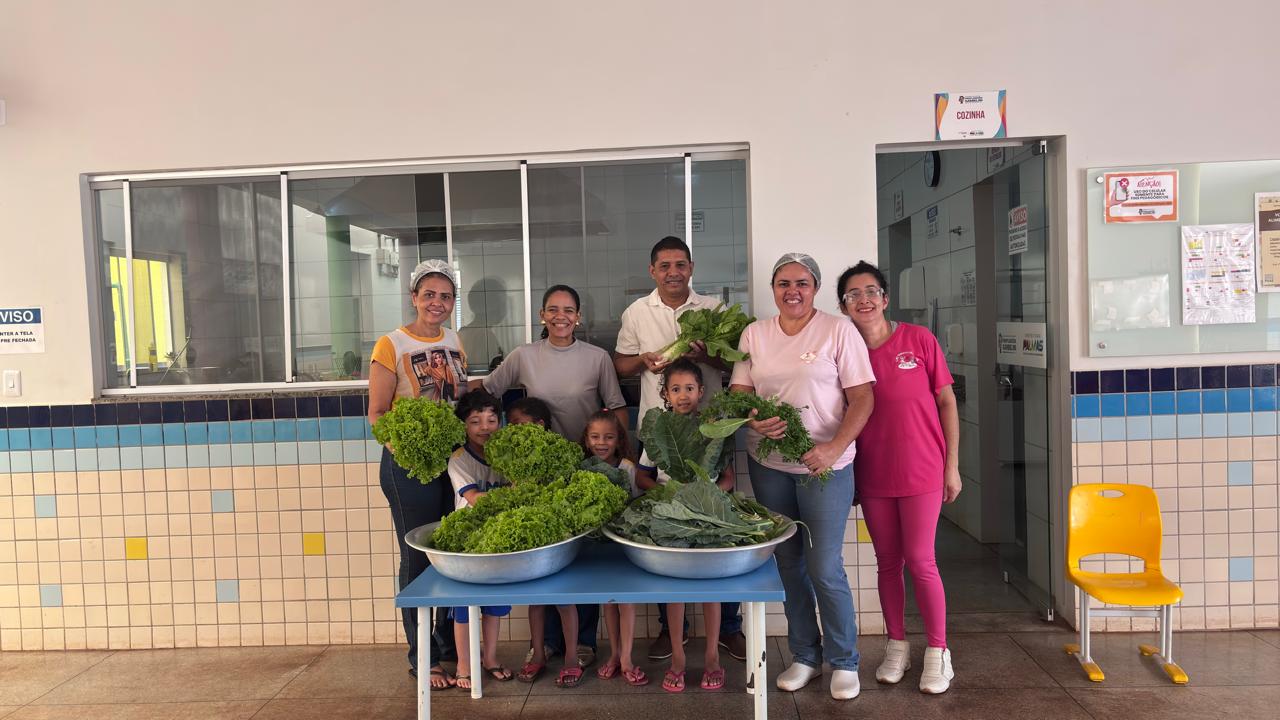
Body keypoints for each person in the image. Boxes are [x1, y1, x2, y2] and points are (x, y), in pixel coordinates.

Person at [728, 252, 875, 701]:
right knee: (789, 563)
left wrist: (832, 449)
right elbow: (740, 391)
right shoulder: (755, 333)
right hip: (769, 464)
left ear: (814, 288)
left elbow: (863, 397)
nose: (792, 291)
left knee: (825, 566)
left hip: (825, 466)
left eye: (802, 283)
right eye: (783, 283)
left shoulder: (838, 330)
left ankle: (844, 660)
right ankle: (805, 656)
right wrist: (754, 421)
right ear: (773, 289)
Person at [477, 284, 628, 669]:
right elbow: (487, 392)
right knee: (545, 556)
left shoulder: (596, 358)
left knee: (586, 556)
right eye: (553, 309)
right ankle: (543, 644)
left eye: (569, 310)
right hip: (540, 474)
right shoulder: (524, 355)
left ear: (579, 317)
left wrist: (619, 458)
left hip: (585, 470)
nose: (561, 316)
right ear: (542, 316)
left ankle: (585, 642)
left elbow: (616, 409)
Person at [613, 236, 746, 662]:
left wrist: (712, 357)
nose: (673, 272)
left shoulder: (713, 311)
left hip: (711, 429)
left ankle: (729, 627)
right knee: (663, 532)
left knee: (719, 529)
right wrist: (643, 361)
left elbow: (737, 363)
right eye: (665, 265)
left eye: (680, 264)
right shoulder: (637, 312)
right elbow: (620, 364)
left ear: (692, 267)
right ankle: (673, 630)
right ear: (652, 271)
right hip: (660, 428)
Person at [839, 261, 960, 695]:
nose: (864, 300)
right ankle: (896, 646)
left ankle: (937, 652)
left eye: (871, 291)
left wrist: (952, 466)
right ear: (844, 305)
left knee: (921, 560)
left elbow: (946, 402)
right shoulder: (846, 351)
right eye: (854, 294)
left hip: (924, 469)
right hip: (872, 473)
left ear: (885, 298)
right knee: (887, 563)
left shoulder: (919, 340)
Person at [367, 258, 468, 689]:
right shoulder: (390, 344)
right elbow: (377, 414)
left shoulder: (455, 341)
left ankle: (448, 649)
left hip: (452, 465)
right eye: (429, 294)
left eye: (445, 296)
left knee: (450, 555)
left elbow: (455, 400)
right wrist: (410, 452)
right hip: (409, 467)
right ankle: (421, 656)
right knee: (417, 557)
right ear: (414, 297)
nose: (437, 303)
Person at [636, 359, 733, 692]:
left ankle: (711, 658)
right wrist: (670, 495)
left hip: (707, 517)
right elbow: (642, 477)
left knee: (711, 590)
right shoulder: (657, 428)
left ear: (701, 392)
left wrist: (704, 496)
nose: (683, 395)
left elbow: (729, 478)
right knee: (674, 591)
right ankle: (678, 658)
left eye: (689, 389)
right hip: (669, 517)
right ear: (665, 394)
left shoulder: (713, 428)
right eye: (675, 389)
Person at [501, 399, 585, 688]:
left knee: (565, 600)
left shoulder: (558, 450)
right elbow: (513, 491)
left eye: (519, 424)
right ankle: (538, 654)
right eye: (509, 425)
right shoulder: (513, 456)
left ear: (540, 425)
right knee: (535, 601)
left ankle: (572, 658)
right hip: (531, 537)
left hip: (558, 534)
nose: (513, 431)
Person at [445, 389, 513, 689]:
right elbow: (474, 498)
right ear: (463, 426)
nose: (485, 427)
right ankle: (463, 664)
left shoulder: (507, 454)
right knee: (464, 606)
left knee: (495, 604)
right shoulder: (459, 460)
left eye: (491, 420)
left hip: (498, 537)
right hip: (467, 540)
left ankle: (491, 658)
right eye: (475, 421)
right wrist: (516, 492)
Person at [579, 410, 647, 687]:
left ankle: (627, 657)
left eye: (608, 437)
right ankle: (614, 654)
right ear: (586, 439)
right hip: (596, 547)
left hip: (623, 544)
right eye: (595, 437)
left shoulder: (628, 468)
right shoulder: (581, 468)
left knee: (626, 602)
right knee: (608, 601)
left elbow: (637, 504)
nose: (601, 442)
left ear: (619, 439)